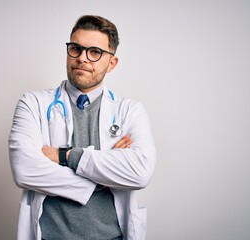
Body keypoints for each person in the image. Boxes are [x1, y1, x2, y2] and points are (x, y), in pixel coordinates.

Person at [8, 15, 156, 240]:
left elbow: (140, 174)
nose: (82, 58)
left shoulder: (129, 111)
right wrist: (103, 176)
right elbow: (24, 169)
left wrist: (65, 156)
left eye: (95, 52)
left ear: (112, 63)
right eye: (76, 48)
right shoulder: (33, 104)